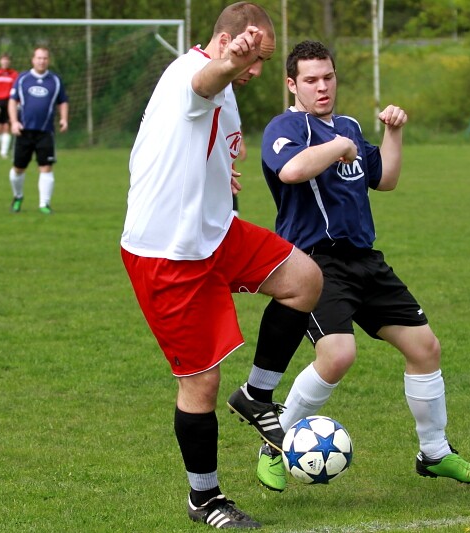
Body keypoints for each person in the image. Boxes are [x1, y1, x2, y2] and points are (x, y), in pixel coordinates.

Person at [257, 40, 470, 492]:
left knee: (425, 348)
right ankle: (274, 443)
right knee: (338, 355)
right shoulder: (284, 127)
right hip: (314, 264)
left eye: (328, 77)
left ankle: (434, 453)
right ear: (291, 84)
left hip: (364, 260)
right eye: (311, 80)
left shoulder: (346, 125)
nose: (322, 87)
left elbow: (384, 179)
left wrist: (392, 132)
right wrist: (339, 146)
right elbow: (292, 171)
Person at [120, 3, 322, 529]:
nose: (257, 70)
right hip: (168, 251)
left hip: (215, 231)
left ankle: (255, 395)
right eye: (256, 58)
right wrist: (231, 62)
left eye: (261, 61)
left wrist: (219, 173)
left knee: (304, 279)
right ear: (229, 42)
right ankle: (204, 499)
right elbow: (204, 83)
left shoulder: (226, 87)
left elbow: (199, 136)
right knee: (200, 383)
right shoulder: (192, 73)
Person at [7, 46, 69, 215]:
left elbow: (63, 101)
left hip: (45, 131)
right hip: (24, 131)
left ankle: (44, 204)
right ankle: (18, 196)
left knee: (46, 167)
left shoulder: (55, 80)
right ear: (33, 60)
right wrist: (14, 122)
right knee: (18, 169)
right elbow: (12, 101)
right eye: (39, 58)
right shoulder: (23, 79)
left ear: (48, 60)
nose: (42, 61)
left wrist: (64, 118)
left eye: (45, 58)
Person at [0, 53, 18, 158]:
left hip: (10, 102)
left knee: (6, 126)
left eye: (7, 60)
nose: (5, 62)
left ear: (10, 62)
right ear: (0, 61)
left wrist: (17, 103)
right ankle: (3, 147)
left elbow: (16, 89)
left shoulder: (14, 74)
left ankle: (4, 152)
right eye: (3, 60)